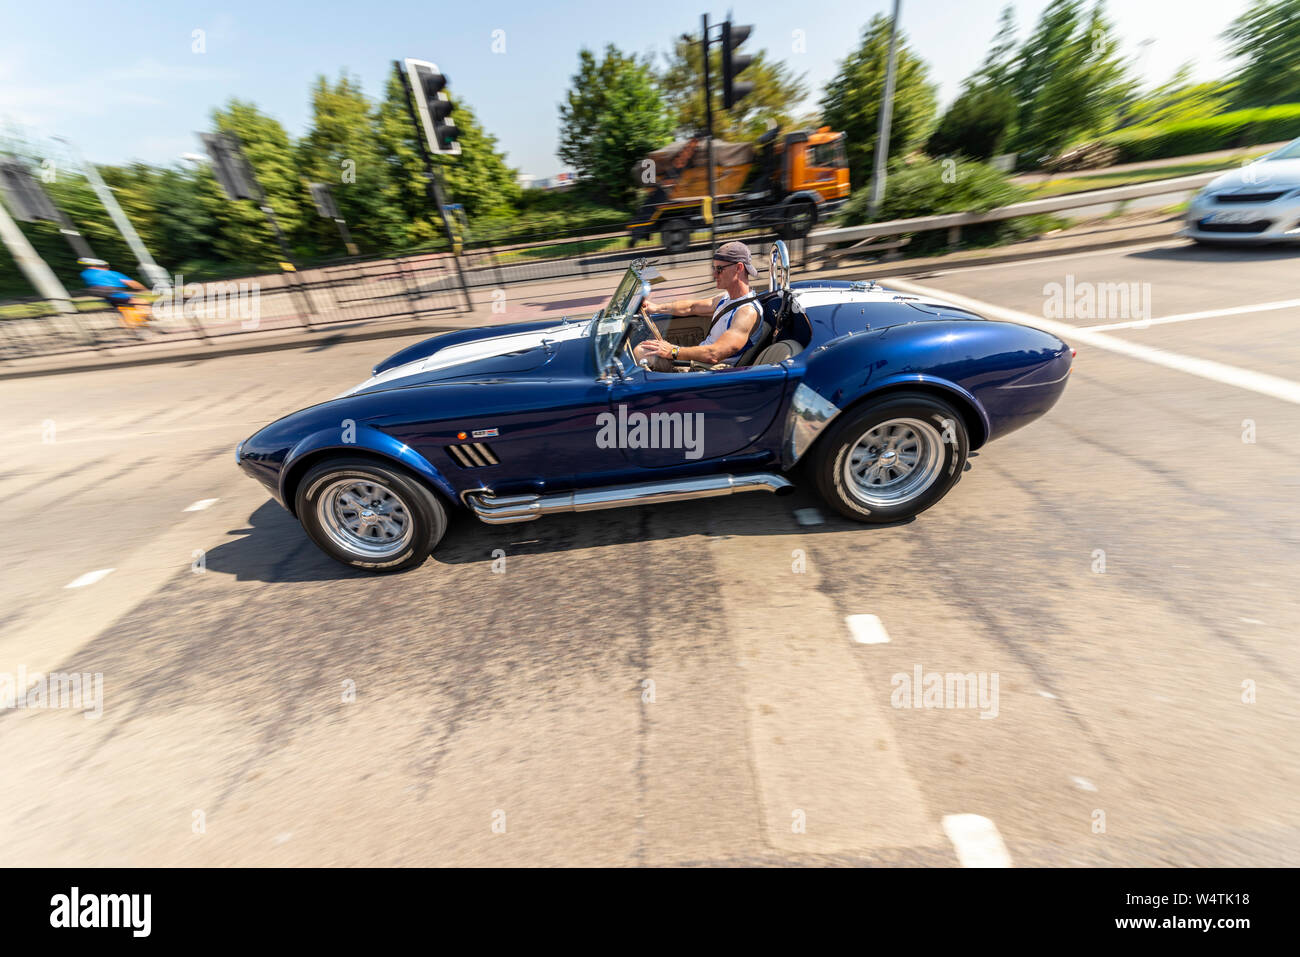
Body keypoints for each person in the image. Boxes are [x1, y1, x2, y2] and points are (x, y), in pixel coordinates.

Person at [633, 241, 762, 371]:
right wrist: (655, 308)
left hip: (708, 371)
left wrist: (673, 351)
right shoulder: (726, 298)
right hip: (699, 362)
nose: (714, 275)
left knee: (642, 352)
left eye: (719, 269)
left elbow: (714, 354)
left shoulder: (746, 312)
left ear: (739, 268)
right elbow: (692, 307)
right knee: (644, 349)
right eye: (714, 268)